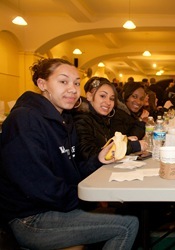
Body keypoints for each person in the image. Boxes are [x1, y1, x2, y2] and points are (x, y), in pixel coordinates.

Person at [0, 58, 138, 249]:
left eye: (76, 83)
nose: (73, 89)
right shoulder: (25, 120)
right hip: (31, 219)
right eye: (63, 81)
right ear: (42, 84)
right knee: (128, 225)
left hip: (55, 206)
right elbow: (39, 185)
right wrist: (87, 198)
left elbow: (72, 170)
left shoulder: (65, 119)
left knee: (130, 212)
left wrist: (97, 160)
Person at [73, 77, 147, 160]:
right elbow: (90, 154)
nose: (108, 102)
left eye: (111, 98)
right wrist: (132, 146)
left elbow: (104, 145)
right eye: (102, 96)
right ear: (89, 96)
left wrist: (123, 141)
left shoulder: (102, 119)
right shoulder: (82, 120)